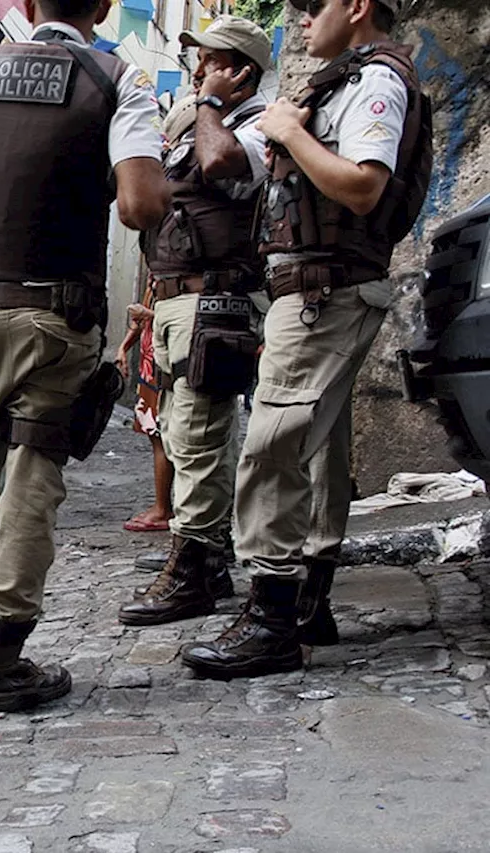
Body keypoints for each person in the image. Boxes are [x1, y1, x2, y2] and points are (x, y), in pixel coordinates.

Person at [0, 0, 167, 714]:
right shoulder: (116, 80)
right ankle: (1, 663)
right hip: (59, 319)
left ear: (28, 4)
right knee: (31, 483)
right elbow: (140, 204)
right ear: (103, 6)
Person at [182, 0, 432, 678]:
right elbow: (231, 167)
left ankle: (269, 619)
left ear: (355, 8)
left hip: (327, 292)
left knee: (272, 445)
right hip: (307, 290)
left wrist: (291, 132)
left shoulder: (376, 82)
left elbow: (361, 188)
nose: (299, 21)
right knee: (312, 447)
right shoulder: (333, 86)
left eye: (311, 7)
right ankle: (304, 602)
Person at [117, 15, 273, 627]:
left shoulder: (254, 124)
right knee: (182, 438)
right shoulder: (196, 122)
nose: (198, 70)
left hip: (218, 301)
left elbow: (221, 167)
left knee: (202, 437)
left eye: (210, 61)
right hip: (181, 302)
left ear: (241, 71)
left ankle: (190, 572)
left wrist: (209, 104)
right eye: (199, 60)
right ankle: (208, 562)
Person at [115, 280, 173, 533]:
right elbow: (141, 319)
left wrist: (148, 315)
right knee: (155, 435)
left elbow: (184, 315)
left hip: (165, 361)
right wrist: (124, 347)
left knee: (163, 436)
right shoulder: (157, 275)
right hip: (150, 363)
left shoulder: (176, 274)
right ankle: (162, 505)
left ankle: (163, 508)